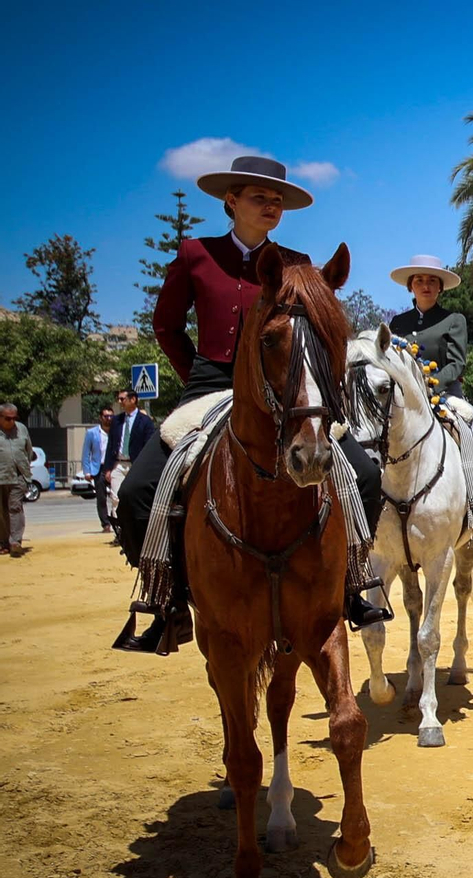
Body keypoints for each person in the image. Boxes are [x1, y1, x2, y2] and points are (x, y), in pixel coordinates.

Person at [113, 156, 389, 654]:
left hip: (287, 391)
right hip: (212, 382)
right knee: (136, 493)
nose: (271, 206)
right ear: (231, 202)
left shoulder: (297, 265)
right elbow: (166, 325)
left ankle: (352, 585)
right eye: (260, 198)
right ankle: (168, 600)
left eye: (277, 200)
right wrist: (198, 377)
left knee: (365, 478)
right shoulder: (196, 254)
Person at [387, 254, 473, 539]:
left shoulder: (453, 320)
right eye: (420, 280)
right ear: (411, 286)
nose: (426, 285)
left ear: (440, 288)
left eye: (432, 281)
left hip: (444, 396)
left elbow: (457, 364)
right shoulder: (397, 323)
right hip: (406, 401)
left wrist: (429, 385)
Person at [105, 389, 155, 534]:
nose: (120, 402)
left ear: (133, 400)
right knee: (116, 498)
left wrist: (145, 467)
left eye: (122, 399)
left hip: (136, 465)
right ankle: (119, 531)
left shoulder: (145, 421)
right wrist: (108, 468)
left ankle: (138, 530)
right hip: (119, 464)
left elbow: (148, 445)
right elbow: (111, 444)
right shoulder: (117, 421)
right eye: (119, 399)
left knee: (136, 497)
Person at [0, 403, 31, 558]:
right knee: (1, 512)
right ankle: (4, 542)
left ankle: (15, 542)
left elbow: (28, 450)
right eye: (7, 418)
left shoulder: (22, 429)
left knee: (15, 507)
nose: (11, 421)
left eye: (14, 418)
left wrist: (26, 470)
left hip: (19, 476)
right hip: (1, 476)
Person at [84, 406, 113, 533]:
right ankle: (105, 524)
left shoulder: (116, 432)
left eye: (111, 416)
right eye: (106, 416)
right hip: (98, 468)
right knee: (101, 498)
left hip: (113, 467)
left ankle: (116, 520)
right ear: (101, 418)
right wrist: (87, 471)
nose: (109, 419)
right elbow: (86, 453)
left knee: (117, 496)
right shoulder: (92, 433)